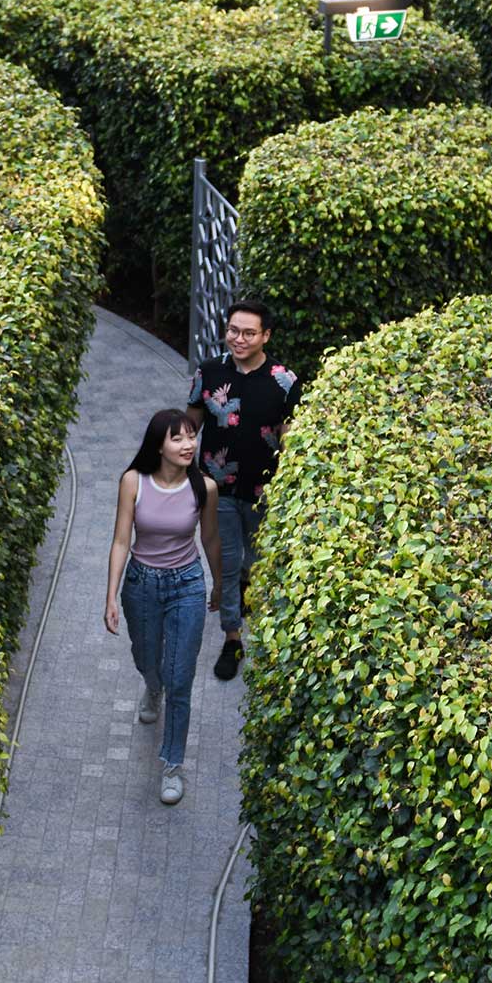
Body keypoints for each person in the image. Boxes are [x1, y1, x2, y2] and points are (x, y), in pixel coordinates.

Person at [105, 408, 222, 805]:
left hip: (187, 583)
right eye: (178, 438)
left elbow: (210, 540)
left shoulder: (204, 487)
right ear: (159, 445)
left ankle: (172, 764)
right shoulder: (133, 481)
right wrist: (110, 595)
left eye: (191, 436)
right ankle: (150, 687)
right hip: (141, 583)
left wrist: (220, 584)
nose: (188, 444)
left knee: (181, 678)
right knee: (146, 657)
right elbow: (122, 540)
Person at [185, 299, 299, 682]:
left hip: (265, 493)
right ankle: (233, 637)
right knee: (228, 563)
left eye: (249, 332)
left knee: (258, 561)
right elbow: (190, 427)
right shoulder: (209, 372)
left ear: (266, 336)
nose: (239, 338)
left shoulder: (284, 382)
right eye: (233, 330)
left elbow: (290, 440)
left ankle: (250, 598)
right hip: (218, 490)